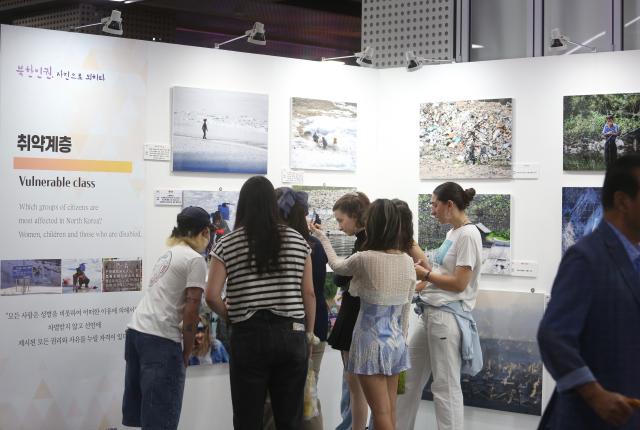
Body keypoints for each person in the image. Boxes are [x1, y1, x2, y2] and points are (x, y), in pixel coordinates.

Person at [537, 154, 640, 430]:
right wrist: (596, 395)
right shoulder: (586, 257)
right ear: (622, 201)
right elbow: (553, 336)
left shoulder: (634, 257)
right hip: (590, 419)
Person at [205, 176, 316, 430]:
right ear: (272, 204)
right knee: (290, 419)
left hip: (249, 336)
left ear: (243, 204)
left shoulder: (227, 243)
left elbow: (211, 295)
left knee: (248, 419)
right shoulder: (298, 241)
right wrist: (308, 335)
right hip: (291, 334)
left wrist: (229, 315)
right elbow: (308, 294)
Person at [311, 199, 416, 430]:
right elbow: (406, 311)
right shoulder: (408, 261)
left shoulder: (365, 258)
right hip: (396, 343)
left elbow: (337, 266)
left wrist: (322, 238)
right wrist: (401, 341)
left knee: (380, 413)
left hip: (369, 344)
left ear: (373, 224)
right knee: (389, 410)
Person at [396, 183, 483, 430]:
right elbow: (440, 273)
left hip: (446, 317)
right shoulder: (453, 233)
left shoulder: (468, 235)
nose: (432, 210)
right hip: (431, 314)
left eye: (434, 204)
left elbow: (459, 283)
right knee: (409, 381)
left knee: (446, 388)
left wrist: (426, 275)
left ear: (449, 205)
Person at [122, 206, 211, 430]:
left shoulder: (168, 254)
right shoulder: (195, 260)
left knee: (146, 417)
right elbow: (190, 313)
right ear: (204, 232)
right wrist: (187, 353)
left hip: (136, 333)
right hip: (160, 340)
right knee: (161, 420)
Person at [272, 186, 328, 430]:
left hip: (293, 327)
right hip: (315, 327)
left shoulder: (280, 245)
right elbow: (314, 290)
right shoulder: (313, 244)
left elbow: (308, 293)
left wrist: (308, 332)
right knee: (308, 394)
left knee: (278, 398)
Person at [326, 191, 371, 430]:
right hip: (358, 317)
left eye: (341, 220)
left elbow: (340, 276)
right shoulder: (365, 241)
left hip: (354, 318)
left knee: (355, 388)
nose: (340, 226)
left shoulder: (364, 245)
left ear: (355, 216)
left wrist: (323, 240)